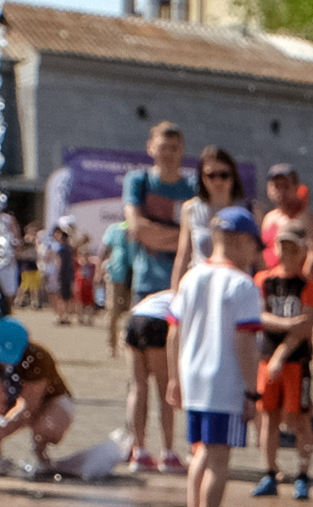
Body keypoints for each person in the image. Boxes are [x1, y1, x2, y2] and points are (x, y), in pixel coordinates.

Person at [165, 204, 262, 507]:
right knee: (220, 460)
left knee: (200, 455)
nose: (255, 253)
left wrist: (174, 378)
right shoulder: (243, 285)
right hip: (225, 381)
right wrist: (252, 392)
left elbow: (173, 333)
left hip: (193, 377)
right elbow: (244, 341)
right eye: (254, 244)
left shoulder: (191, 278)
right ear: (238, 241)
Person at [121, 122, 196, 474]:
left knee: (169, 378)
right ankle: (141, 448)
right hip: (144, 290)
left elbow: (192, 238)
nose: (167, 152)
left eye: (174, 146)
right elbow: (136, 229)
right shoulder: (138, 181)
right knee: (140, 379)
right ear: (150, 147)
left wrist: (159, 237)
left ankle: (164, 448)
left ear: (182, 151)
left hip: (177, 291)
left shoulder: (192, 187)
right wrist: (178, 237)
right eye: (162, 146)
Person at [251, 219, 313, 501]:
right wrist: (285, 323)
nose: (288, 254)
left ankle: (303, 474)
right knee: (269, 417)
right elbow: (260, 316)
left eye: (294, 249)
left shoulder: (308, 285)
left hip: (296, 362)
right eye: (283, 247)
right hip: (267, 358)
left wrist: (282, 350)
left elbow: (305, 327)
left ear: (303, 252)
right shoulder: (265, 280)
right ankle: (270, 471)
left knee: (300, 418)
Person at [0, 317, 74, 467]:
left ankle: (40, 454)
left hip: (48, 401)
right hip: (11, 399)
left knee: (48, 426)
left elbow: (27, 406)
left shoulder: (38, 357)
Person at [171, 143, 246, 294]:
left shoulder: (247, 209)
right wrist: (175, 294)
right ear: (202, 178)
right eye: (211, 175)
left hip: (235, 288)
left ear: (233, 177)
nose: (218, 181)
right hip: (200, 288)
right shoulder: (191, 208)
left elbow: (257, 256)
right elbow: (183, 255)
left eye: (224, 175)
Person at [258, 161, 306, 269]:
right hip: (270, 279)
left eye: (285, 186)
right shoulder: (269, 217)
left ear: (296, 187)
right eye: (276, 186)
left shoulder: (304, 220)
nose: (280, 191)